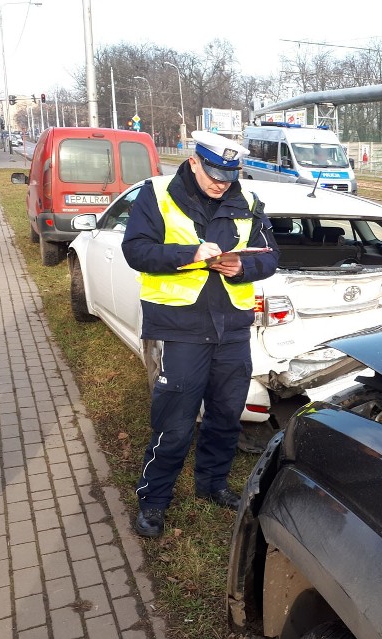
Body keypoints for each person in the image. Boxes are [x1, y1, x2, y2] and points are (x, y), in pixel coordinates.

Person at [122, 130, 279, 538]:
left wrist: (243, 268)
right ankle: (154, 501)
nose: (220, 183)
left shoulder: (246, 201)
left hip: (232, 329)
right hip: (182, 328)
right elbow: (136, 250)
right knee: (174, 422)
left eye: (228, 176)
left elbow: (271, 256)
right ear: (194, 161)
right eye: (213, 173)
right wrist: (189, 255)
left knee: (226, 416)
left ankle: (212, 485)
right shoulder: (156, 193)